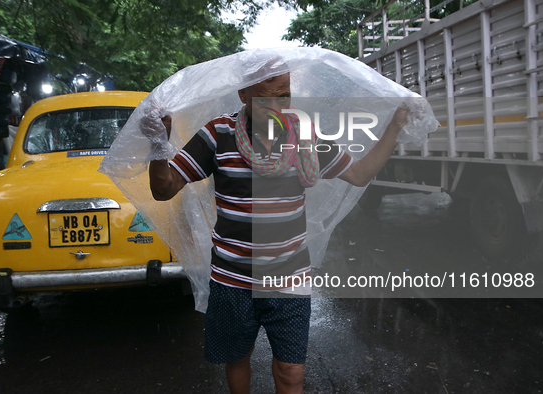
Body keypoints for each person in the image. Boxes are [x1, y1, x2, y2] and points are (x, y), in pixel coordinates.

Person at [144, 70, 408, 394]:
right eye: (265, 97)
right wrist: (158, 146)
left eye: (284, 95)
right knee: (238, 359)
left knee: (290, 372)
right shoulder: (218, 134)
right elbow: (164, 188)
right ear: (243, 95)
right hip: (233, 278)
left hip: (289, 277)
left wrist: (395, 127)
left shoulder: (304, 136)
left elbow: (359, 172)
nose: (277, 105)